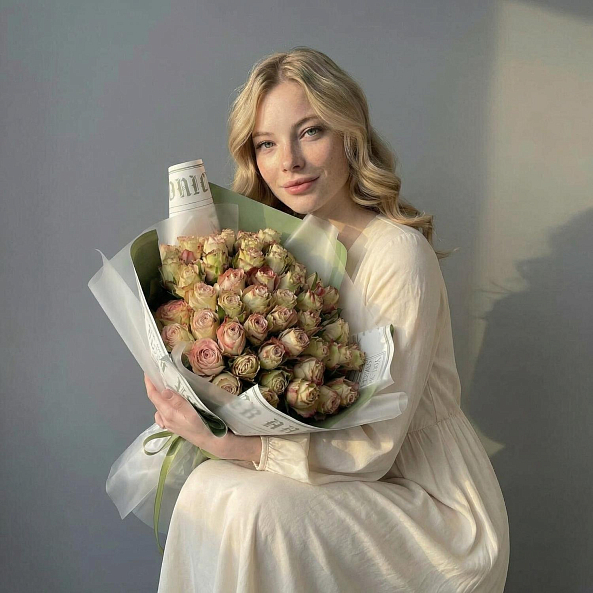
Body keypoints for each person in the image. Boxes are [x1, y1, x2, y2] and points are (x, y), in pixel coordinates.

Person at [145, 47, 510, 592]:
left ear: (349, 135)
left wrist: (232, 444)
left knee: (255, 509)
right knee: (207, 489)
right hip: (334, 481)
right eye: (266, 144)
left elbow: (377, 445)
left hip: (428, 503)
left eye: (310, 132)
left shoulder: (398, 253)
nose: (288, 161)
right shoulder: (278, 254)